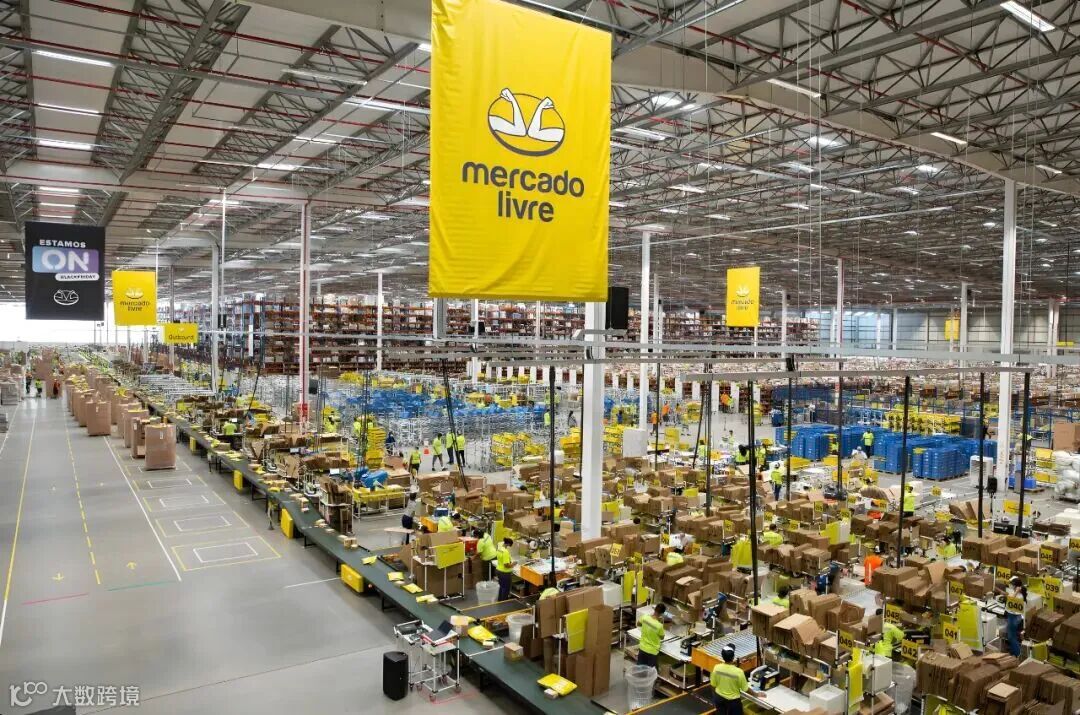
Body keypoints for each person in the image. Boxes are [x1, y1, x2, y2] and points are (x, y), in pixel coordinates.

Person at [710, 644, 750, 714]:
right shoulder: (738, 672)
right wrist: (757, 694)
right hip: (733, 702)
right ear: (733, 657)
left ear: (722, 656)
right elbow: (745, 689)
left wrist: (715, 697)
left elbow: (713, 685)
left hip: (719, 699)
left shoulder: (716, 668)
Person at [1005, 576, 1027, 657]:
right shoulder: (1018, 594)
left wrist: (1016, 591)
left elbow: (1011, 599)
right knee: (1013, 636)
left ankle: (1018, 654)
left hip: (1013, 617)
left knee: (1011, 637)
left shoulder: (1019, 595)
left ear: (1016, 586)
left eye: (1012, 584)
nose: (1011, 586)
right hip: (1014, 616)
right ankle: (1013, 652)